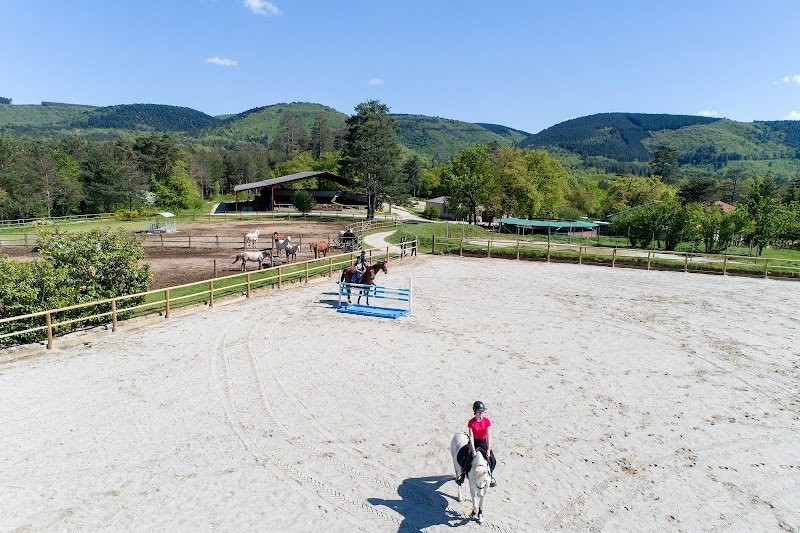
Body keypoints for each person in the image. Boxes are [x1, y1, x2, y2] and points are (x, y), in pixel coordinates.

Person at [458, 400, 497, 487]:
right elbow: (471, 437)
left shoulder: (486, 421)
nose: (481, 413)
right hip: (474, 442)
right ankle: (463, 475)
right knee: (464, 457)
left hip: (483, 442)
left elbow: (488, 435)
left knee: (493, 460)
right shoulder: (471, 422)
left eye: (482, 411)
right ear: (475, 411)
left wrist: (488, 448)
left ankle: (490, 476)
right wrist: (472, 450)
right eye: (479, 411)